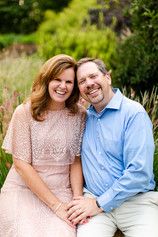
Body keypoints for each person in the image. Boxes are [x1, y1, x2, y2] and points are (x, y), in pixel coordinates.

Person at [67, 57, 158, 237]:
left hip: (136, 203)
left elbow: (139, 173)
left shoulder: (133, 113)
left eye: (93, 76)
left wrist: (99, 204)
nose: (89, 84)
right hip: (93, 203)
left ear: (107, 77)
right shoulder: (83, 119)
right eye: (82, 81)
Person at [0, 54, 86, 237]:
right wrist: (57, 206)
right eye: (57, 79)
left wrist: (77, 199)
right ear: (46, 79)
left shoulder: (80, 114)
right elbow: (21, 166)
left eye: (69, 82)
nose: (63, 86)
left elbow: (76, 160)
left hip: (62, 190)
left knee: (64, 232)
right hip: (23, 190)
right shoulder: (24, 112)